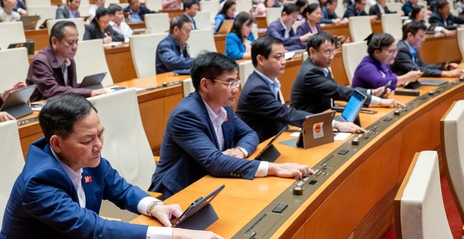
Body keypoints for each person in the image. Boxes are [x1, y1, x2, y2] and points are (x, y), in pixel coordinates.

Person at [0, 93, 235, 239]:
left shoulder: (85, 157)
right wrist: (178, 236)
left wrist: (154, 206)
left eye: (100, 134)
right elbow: (93, 229)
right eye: (88, 140)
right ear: (57, 144)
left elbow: (121, 189)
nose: (99, 145)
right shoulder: (39, 181)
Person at [149, 52, 313, 199]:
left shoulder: (223, 107)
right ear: (205, 85)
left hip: (213, 183)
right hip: (179, 192)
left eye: (236, 82)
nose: (235, 89)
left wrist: (239, 151)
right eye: (229, 83)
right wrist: (273, 168)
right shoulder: (186, 115)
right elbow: (214, 162)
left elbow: (250, 134)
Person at [236, 38, 366, 142]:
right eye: (278, 57)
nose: (283, 61)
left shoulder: (266, 82)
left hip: (275, 137)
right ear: (260, 59)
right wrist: (334, 124)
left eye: (284, 56)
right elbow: (286, 113)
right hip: (261, 146)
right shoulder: (256, 88)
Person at [290, 32, 403, 114]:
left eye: (333, 51)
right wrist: (380, 102)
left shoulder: (320, 66)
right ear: (312, 51)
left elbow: (337, 88)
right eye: (327, 52)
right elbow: (339, 91)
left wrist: (371, 92)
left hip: (324, 115)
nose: (332, 57)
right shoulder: (310, 72)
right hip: (307, 123)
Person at [27, 21, 107, 101]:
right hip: (45, 109)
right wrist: (89, 92)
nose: (75, 47)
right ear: (54, 42)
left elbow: (71, 87)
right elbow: (52, 91)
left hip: (65, 104)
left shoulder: (69, 59)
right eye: (70, 43)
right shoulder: (40, 61)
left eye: (76, 42)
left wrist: (88, 88)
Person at [352, 33, 422, 90]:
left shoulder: (383, 62)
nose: (394, 55)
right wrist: (406, 78)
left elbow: (391, 77)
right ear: (377, 52)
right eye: (391, 51)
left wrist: (403, 81)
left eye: (395, 50)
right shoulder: (366, 67)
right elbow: (381, 83)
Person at [391, 22, 462, 77]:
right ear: (410, 36)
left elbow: (422, 66)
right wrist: (446, 73)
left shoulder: (412, 46)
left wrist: (443, 67)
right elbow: (417, 70)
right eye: (421, 36)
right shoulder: (401, 50)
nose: (423, 40)